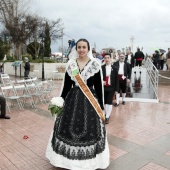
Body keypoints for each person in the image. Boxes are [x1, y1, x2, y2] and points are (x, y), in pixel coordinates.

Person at [46, 38, 110, 170]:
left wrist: (101, 107)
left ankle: (89, 162)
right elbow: (66, 86)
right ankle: (67, 161)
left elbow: (99, 87)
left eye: (84, 47)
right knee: (66, 128)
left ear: (88, 49)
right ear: (76, 49)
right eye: (79, 47)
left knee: (91, 130)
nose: (81, 50)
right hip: (72, 100)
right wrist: (60, 101)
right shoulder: (71, 64)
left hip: (90, 101)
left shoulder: (95, 65)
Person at [102, 53, 119, 124]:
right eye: (105, 58)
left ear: (110, 58)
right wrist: (101, 81)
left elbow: (117, 79)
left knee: (109, 102)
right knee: (104, 102)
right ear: (104, 59)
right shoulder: (101, 67)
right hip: (103, 87)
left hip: (111, 87)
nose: (107, 59)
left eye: (108, 58)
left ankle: (107, 116)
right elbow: (98, 78)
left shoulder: (114, 68)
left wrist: (116, 90)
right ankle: (106, 113)